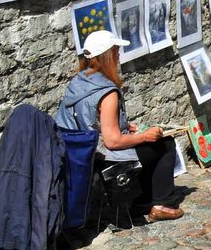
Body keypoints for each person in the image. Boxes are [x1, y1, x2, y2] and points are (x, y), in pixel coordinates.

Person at [55, 31, 184, 222]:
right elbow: (113, 141)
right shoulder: (107, 93)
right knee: (164, 144)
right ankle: (158, 204)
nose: (119, 55)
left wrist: (123, 125)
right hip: (102, 155)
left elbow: (87, 120)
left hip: (78, 150)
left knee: (146, 142)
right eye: (116, 51)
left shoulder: (78, 82)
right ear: (107, 56)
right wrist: (143, 137)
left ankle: (143, 200)